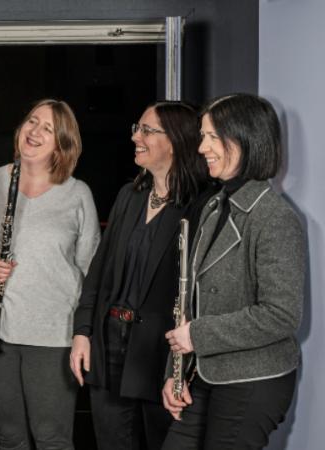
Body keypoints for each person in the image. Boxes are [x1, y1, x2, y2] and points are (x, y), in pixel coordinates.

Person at [0, 99, 100, 450]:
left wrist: (85, 331)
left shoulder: (77, 194)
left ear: (62, 144)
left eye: (47, 128)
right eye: (32, 121)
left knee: (52, 439)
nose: (34, 132)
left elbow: (91, 269)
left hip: (53, 335)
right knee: (10, 438)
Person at [161, 93, 304, 449]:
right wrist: (174, 374)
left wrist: (199, 335)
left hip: (254, 380)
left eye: (212, 137)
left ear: (244, 138)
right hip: (203, 373)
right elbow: (191, 303)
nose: (201, 147)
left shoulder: (274, 218)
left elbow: (281, 315)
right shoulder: (214, 206)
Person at [69, 101, 209, 450]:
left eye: (147, 130)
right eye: (138, 127)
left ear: (176, 140)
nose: (136, 136)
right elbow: (98, 273)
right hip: (109, 346)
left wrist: (186, 365)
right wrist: (83, 332)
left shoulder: (203, 205)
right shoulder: (129, 196)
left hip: (162, 357)